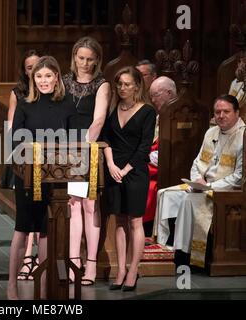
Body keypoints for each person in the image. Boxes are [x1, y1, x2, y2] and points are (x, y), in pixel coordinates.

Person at [7, 55, 77, 299]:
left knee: (47, 229)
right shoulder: (25, 103)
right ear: (32, 78)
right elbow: (15, 139)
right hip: (29, 174)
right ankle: (12, 288)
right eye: (39, 76)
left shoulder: (67, 102)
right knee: (23, 228)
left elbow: (74, 138)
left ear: (57, 77)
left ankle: (45, 287)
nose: (43, 80)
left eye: (48, 75)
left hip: (56, 175)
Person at [154, 94, 245, 268]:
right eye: (217, 112)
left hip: (225, 191)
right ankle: (164, 250)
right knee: (165, 194)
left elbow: (239, 176)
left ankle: (184, 255)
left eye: (226, 111)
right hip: (202, 184)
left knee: (189, 200)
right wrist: (197, 179)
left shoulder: (243, 137)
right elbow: (197, 162)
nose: (221, 115)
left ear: (237, 113)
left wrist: (209, 186)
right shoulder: (212, 132)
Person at [102, 66, 156, 291]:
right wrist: (111, 164)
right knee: (120, 220)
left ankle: (134, 269)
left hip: (135, 171)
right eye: (119, 84)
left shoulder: (147, 111)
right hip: (114, 169)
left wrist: (125, 170)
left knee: (134, 220)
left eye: (127, 84)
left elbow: (145, 147)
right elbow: (105, 139)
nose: (122, 88)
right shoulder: (113, 108)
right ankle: (121, 269)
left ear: (137, 85)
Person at [63, 36, 111, 285]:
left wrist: (82, 149)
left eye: (90, 59)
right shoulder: (65, 81)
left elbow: (99, 119)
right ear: (74, 57)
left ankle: (91, 263)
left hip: (88, 150)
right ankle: (74, 262)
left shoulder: (101, 84)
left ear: (97, 60)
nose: (85, 63)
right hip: (65, 149)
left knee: (90, 205)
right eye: (81, 58)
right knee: (72, 204)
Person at [1, 49, 42, 281]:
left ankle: (38, 257)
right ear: (24, 71)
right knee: (25, 211)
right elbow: (11, 126)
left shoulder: (50, 91)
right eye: (29, 67)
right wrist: (13, 157)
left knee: (41, 207)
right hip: (23, 156)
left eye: (38, 66)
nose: (34, 71)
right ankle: (27, 257)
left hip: (46, 158)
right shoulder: (18, 93)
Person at [143, 76, 177, 236]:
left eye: (155, 95)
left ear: (169, 93)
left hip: (168, 170)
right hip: (152, 164)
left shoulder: (179, 116)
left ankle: (146, 230)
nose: (152, 99)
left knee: (146, 186)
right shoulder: (158, 116)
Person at [229, 51, 246, 119]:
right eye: (239, 61)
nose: (241, 65)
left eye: (244, 61)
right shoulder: (235, 82)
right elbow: (231, 101)